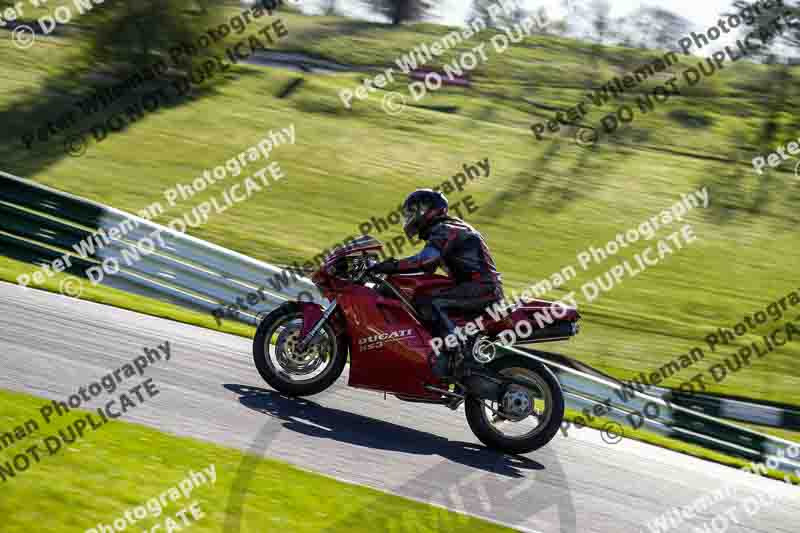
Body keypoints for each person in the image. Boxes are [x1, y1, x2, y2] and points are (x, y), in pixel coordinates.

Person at [368, 189, 504, 378]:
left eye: (412, 212)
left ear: (427, 211)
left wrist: (390, 266)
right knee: (419, 295)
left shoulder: (446, 230)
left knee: (432, 302)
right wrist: (389, 272)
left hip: (482, 289)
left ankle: (458, 355)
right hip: (474, 287)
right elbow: (425, 269)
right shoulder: (443, 230)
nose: (409, 217)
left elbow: (425, 261)